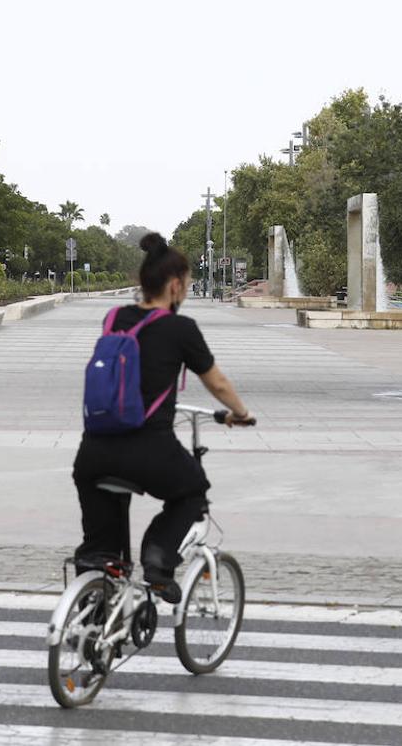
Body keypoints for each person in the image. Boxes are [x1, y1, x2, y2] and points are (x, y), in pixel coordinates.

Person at [73, 232, 252, 603]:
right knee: (192, 491)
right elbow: (216, 382)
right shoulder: (180, 328)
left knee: (101, 552)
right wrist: (241, 413)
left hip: (93, 451)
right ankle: (157, 560)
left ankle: (92, 613)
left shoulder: (114, 318)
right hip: (147, 450)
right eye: (185, 284)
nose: (185, 291)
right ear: (174, 285)